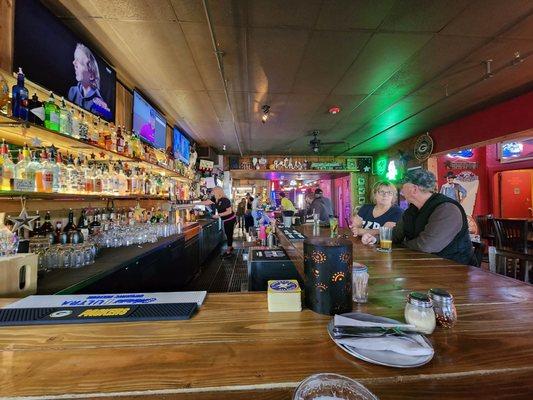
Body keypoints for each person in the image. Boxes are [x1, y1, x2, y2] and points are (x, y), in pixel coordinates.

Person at [361, 169, 473, 265]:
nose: (401, 192)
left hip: (454, 271)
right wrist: (376, 239)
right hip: (421, 266)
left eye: (403, 187)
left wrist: (400, 245)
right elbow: (396, 235)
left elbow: (426, 246)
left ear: (414, 189)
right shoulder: (412, 209)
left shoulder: (447, 209)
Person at [68, 43, 110, 120]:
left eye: (79, 62)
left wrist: (105, 110)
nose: (74, 63)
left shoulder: (97, 102)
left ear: (91, 76)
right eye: (75, 60)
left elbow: (108, 116)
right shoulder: (72, 91)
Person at [201, 187, 236, 258]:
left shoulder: (225, 200)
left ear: (217, 192)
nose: (212, 192)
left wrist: (218, 215)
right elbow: (207, 202)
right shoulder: (216, 199)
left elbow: (229, 211)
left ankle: (228, 252)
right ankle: (230, 247)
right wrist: (194, 203)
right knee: (228, 234)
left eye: (213, 191)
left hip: (230, 219)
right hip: (226, 219)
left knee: (229, 234)